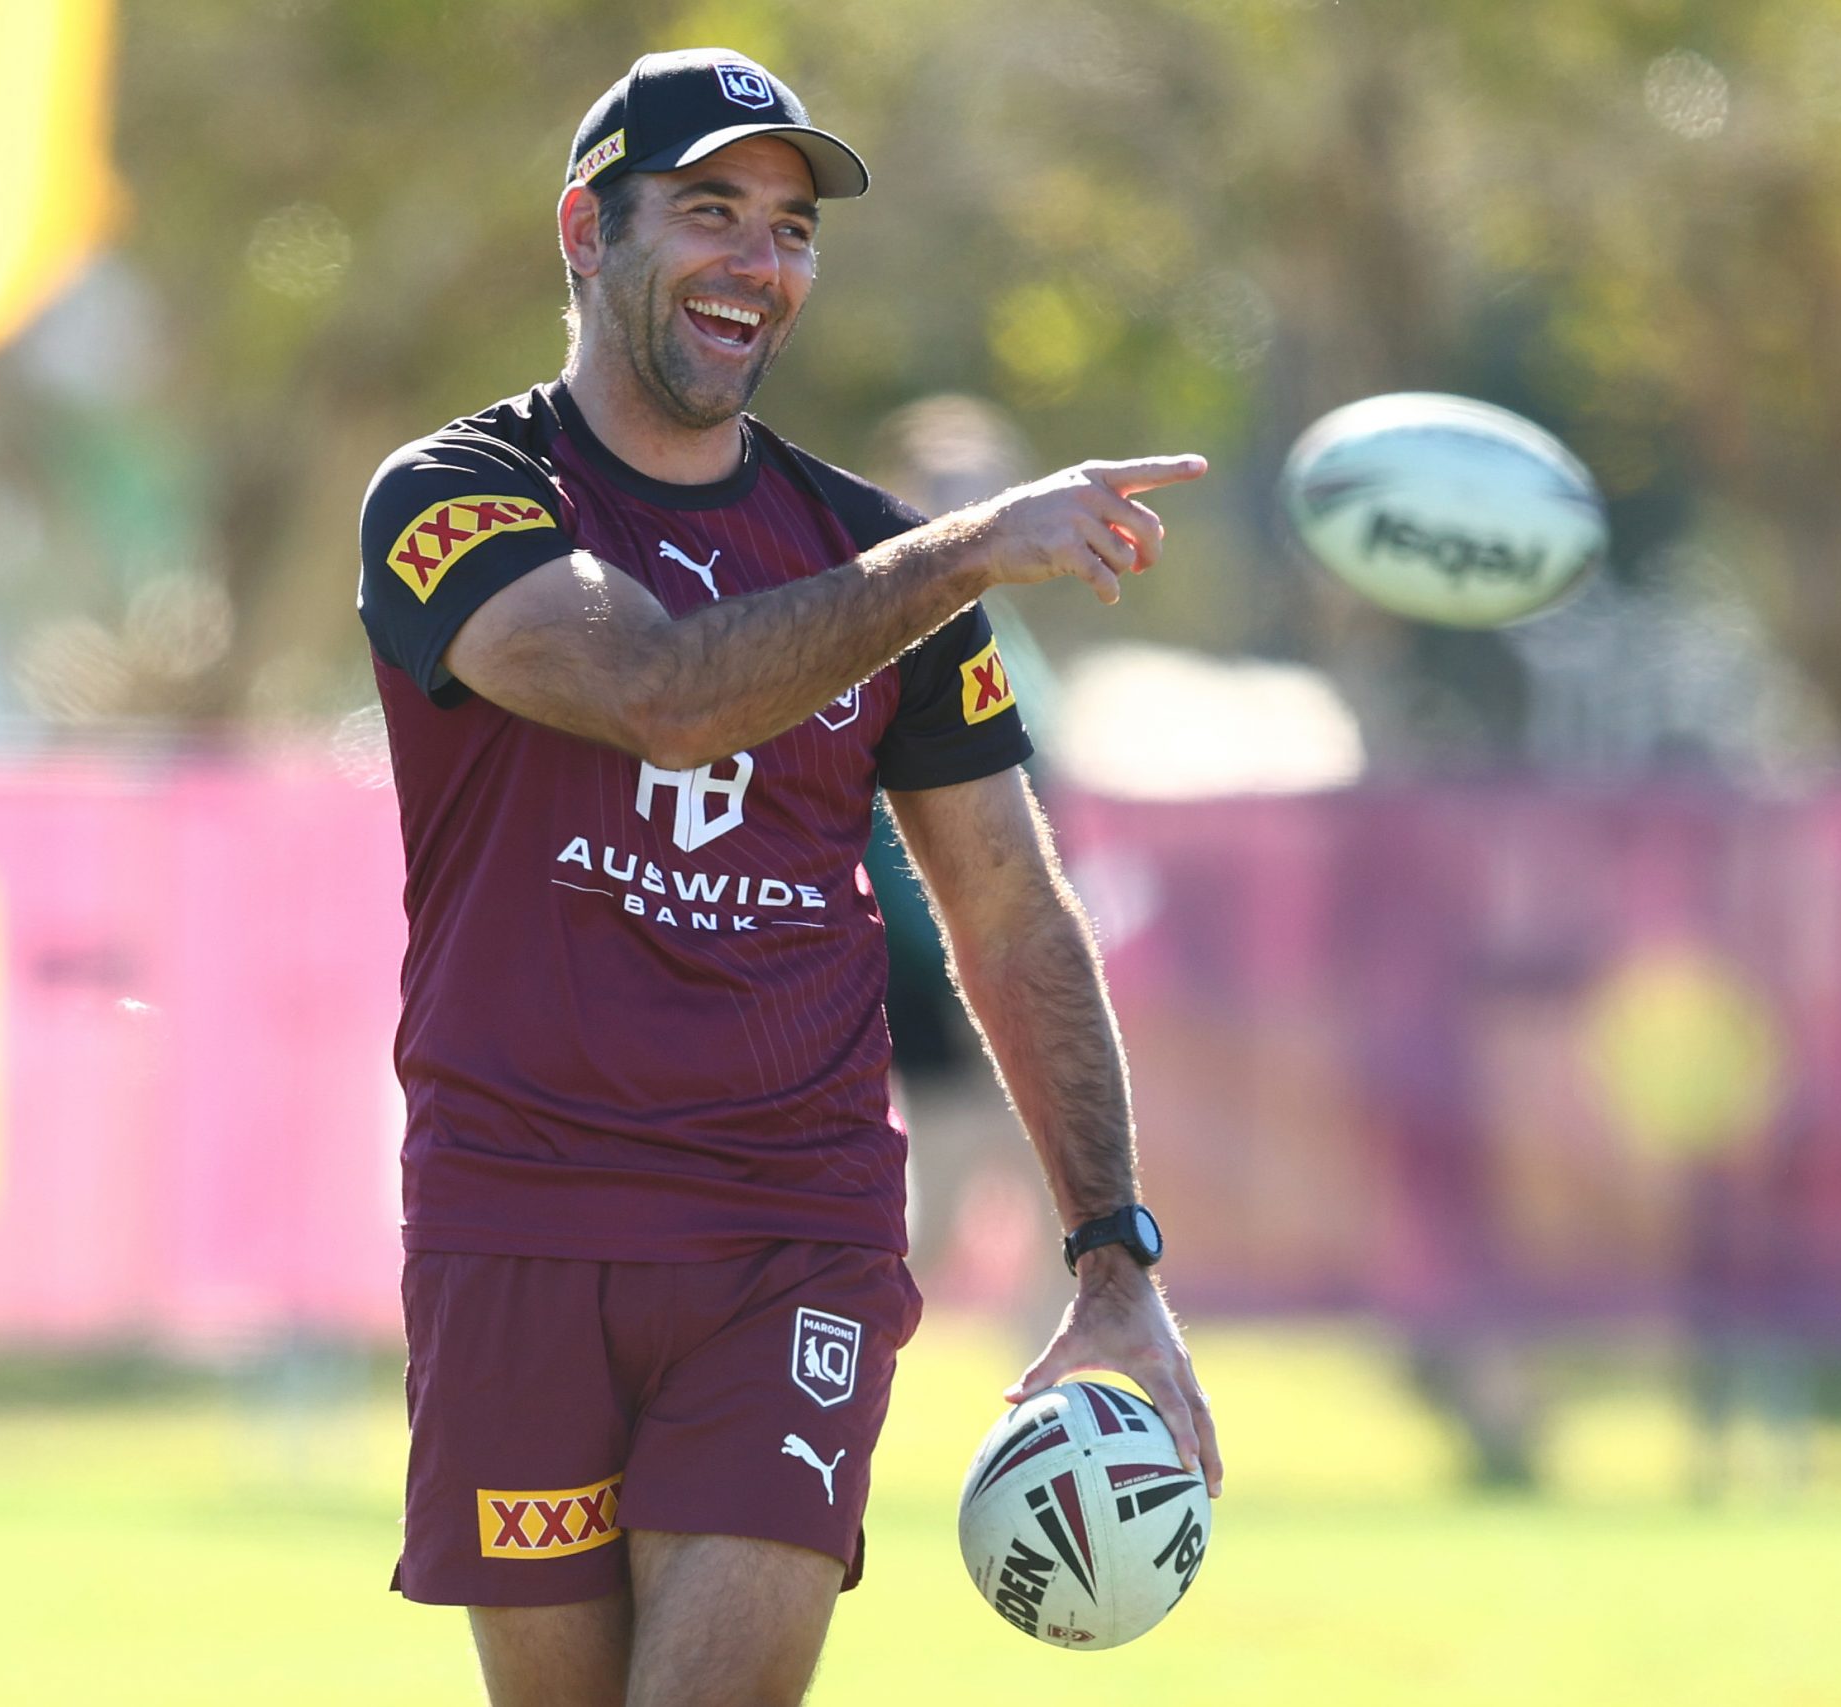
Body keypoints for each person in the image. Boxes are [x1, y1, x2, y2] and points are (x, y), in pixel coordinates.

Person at [354, 47, 1222, 1707]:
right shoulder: (458, 497)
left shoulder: (877, 556)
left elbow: (1012, 911)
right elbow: (659, 693)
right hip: (514, 1216)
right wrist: (966, 548)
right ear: (583, 234)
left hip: (789, 1232)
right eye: (709, 212)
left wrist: (1116, 1263)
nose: (761, 260)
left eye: (791, 226)